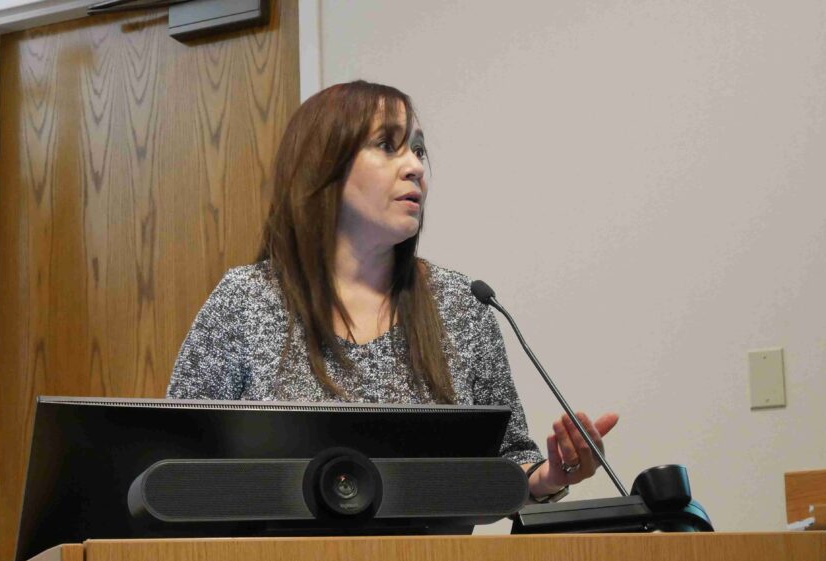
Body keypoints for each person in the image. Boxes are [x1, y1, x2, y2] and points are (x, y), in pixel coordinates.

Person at [167, 80, 618, 503]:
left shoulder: (462, 304)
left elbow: (507, 461)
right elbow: (175, 464)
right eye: (387, 145)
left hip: (434, 560)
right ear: (323, 166)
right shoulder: (245, 300)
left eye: (418, 150)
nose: (415, 167)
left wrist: (550, 476)